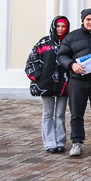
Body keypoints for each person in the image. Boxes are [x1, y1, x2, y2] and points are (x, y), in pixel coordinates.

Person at [57, 9, 91, 157]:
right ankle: (77, 142)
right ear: (83, 20)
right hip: (77, 81)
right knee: (76, 113)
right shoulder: (72, 37)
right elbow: (62, 56)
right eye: (88, 19)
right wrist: (72, 65)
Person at [26, 15, 70, 153]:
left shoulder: (70, 42)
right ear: (54, 27)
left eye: (63, 26)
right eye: (58, 26)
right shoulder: (43, 43)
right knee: (48, 113)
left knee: (60, 114)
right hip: (46, 84)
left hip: (64, 83)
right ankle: (50, 143)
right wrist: (38, 77)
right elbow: (32, 60)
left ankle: (60, 142)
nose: (60, 29)